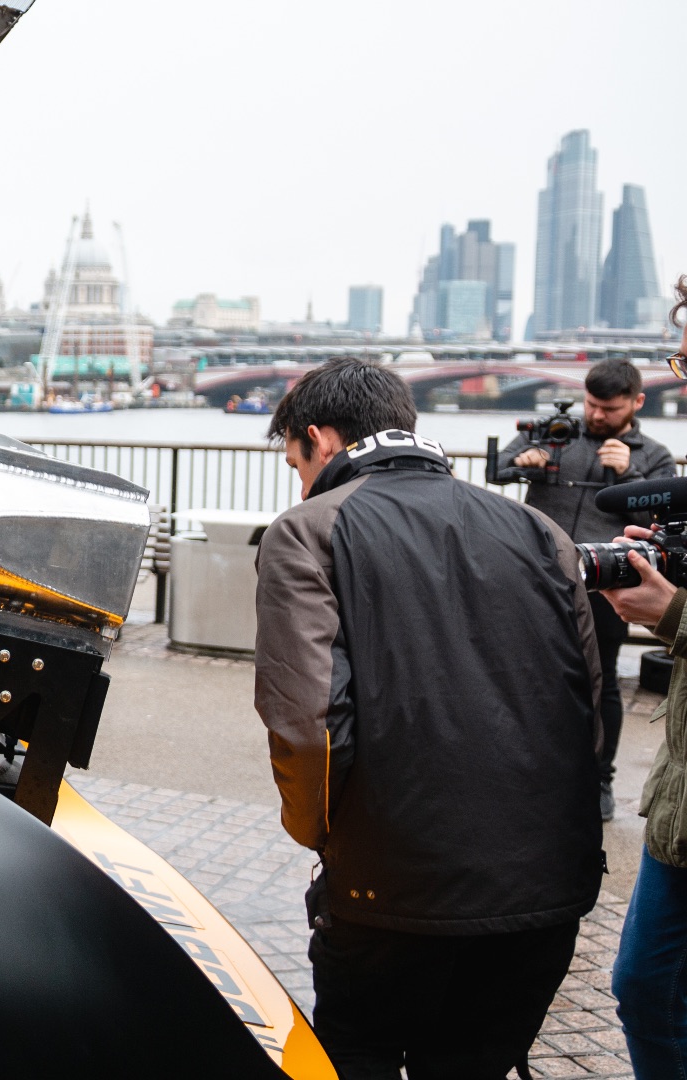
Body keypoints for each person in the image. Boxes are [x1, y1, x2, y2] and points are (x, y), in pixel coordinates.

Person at [253, 357, 602, 1079]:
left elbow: (307, 724)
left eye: (295, 461)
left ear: (318, 439)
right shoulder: (538, 530)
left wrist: (325, 835)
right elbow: (585, 705)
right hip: (543, 892)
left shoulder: (308, 530)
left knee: (360, 1054)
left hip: (393, 888)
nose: (299, 479)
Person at [496, 358, 677, 820]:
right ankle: (530, 771)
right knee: (527, 676)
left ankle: (600, 780)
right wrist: (522, 461)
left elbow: (661, 530)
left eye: (609, 408)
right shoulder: (555, 431)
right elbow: (496, 469)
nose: (596, 415)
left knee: (603, 684)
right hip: (539, 575)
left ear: (636, 402)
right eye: (591, 405)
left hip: (604, 587)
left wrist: (631, 477)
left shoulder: (653, 455)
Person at [601, 276, 687, 1078]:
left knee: (651, 989)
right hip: (680, 804)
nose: (683, 374)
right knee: (646, 989)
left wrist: (672, 613)